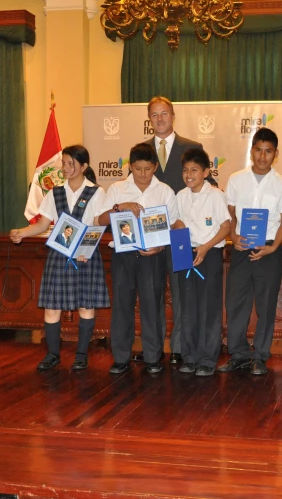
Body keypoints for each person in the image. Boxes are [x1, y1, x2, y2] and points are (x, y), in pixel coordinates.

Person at [10, 145, 109, 372]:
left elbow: (96, 225)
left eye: (71, 163)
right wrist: (21, 233)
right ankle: (52, 354)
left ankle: (81, 354)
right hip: (59, 254)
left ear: (84, 166)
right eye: (64, 163)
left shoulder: (96, 192)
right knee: (52, 307)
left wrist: (84, 251)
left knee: (86, 306)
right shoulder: (54, 192)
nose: (66, 168)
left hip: (86, 256)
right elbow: (43, 225)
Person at [97, 142, 181, 375]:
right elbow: (99, 220)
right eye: (137, 169)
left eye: (147, 169)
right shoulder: (117, 188)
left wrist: (161, 246)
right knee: (122, 306)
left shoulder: (165, 190)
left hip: (153, 256)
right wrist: (118, 207)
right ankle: (121, 357)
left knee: (152, 306)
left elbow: (174, 225)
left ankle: (153, 356)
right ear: (130, 166)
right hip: (123, 255)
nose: (142, 174)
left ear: (155, 166)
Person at [218, 128, 282, 376]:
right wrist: (233, 236)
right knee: (236, 303)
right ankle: (238, 353)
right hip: (241, 250)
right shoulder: (236, 179)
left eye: (268, 151)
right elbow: (228, 213)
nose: (262, 156)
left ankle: (260, 355)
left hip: (268, 250)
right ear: (251, 152)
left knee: (266, 306)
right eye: (258, 150)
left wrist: (273, 246)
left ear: (276, 154)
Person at [144, 96, 205, 365]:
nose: (160, 119)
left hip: (181, 233)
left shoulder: (192, 147)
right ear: (149, 119)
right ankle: (154, 351)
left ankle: (180, 348)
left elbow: (203, 186)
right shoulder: (141, 150)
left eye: (164, 114)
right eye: (154, 115)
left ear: (173, 115)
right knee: (152, 292)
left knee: (182, 294)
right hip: (151, 234)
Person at [175, 148, 231, 377]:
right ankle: (189, 357)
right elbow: (176, 221)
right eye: (186, 170)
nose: (189, 175)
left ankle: (207, 358)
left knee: (209, 308)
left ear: (206, 172)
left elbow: (225, 226)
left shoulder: (216, 195)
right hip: (184, 253)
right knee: (187, 308)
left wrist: (206, 247)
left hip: (208, 255)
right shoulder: (180, 195)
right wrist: (178, 227)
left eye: (195, 170)